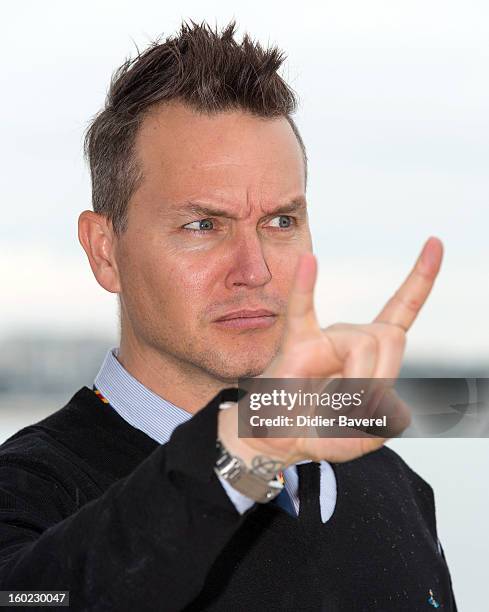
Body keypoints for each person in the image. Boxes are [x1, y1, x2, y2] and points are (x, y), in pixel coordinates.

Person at [0, 20, 457, 611]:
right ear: (104, 249)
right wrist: (250, 442)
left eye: (280, 221)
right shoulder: (30, 493)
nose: (255, 268)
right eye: (202, 225)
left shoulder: (393, 490)